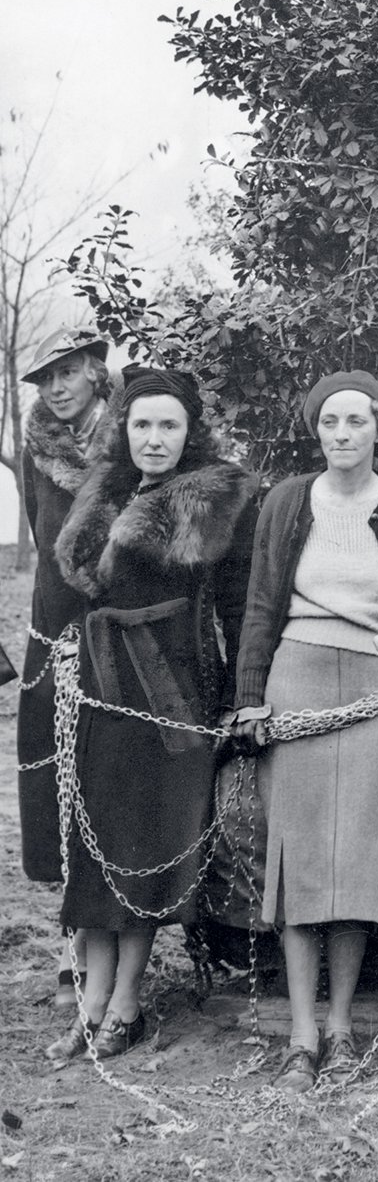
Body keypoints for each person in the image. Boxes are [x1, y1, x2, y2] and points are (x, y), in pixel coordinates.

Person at [231, 371, 378, 1093]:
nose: (343, 434)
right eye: (330, 422)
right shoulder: (287, 501)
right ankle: (298, 1036)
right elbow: (260, 605)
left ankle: (343, 1028)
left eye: (357, 421)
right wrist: (252, 698)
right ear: (316, 431)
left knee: (357, 861)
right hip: (299, 679)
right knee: (301, 861)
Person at [48, 366, 258, 1061]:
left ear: (189, 431)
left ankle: (125, 1003)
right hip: (103, 691)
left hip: (171, 692)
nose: (155, 438)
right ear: (123, 429)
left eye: (169, 425)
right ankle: (92, 998)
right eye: (142, 424)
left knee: (145, 848)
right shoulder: (104, 489)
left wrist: (239, 699)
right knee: (98, 841)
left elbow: (236, 607)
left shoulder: (212, 497)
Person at [8, 324, 112, 1006]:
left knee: (111, 777)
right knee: (58, 774)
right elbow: (46, 543)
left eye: (67, 372)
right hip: (55, 626)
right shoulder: (36, 453)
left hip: (119, 627)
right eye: (45, 379)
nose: (56, 388)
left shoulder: (138, 436)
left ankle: (115, 942)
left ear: (98, 371)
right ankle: (72, 942)